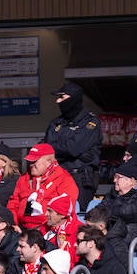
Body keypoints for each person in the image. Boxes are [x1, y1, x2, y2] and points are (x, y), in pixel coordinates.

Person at [43, 81, 102, 209]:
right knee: (55, 214)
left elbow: (72, 149)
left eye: (61, 97)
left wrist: (58, 150)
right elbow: (45, 148)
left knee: (77, 217)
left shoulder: (90, 122)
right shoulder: (56, 123)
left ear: (73, 99)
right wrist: (68, 151)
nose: (57, 101)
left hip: (80, 179)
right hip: (57, 177)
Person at [7, 143, 79, 233]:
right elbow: (13, 203)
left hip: (49, 230)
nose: (31, 164)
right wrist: (13, 223)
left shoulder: (64, 179)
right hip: (22, 229)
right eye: (30, 161)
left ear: (48, 162)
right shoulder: (24, 178)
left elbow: (65, 209)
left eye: (34, 161)